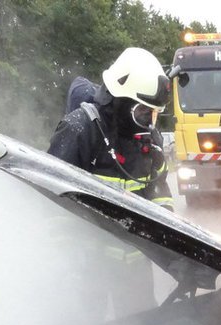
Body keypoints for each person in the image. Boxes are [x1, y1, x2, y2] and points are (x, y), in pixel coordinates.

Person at [47, 47, 174, 211]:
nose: (150, 122)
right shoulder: (80, 130)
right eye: (143, 110)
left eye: (154, 113)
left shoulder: (151, 138)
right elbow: (52, 198)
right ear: (120, 101)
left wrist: (166, 218)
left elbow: (160, 192)